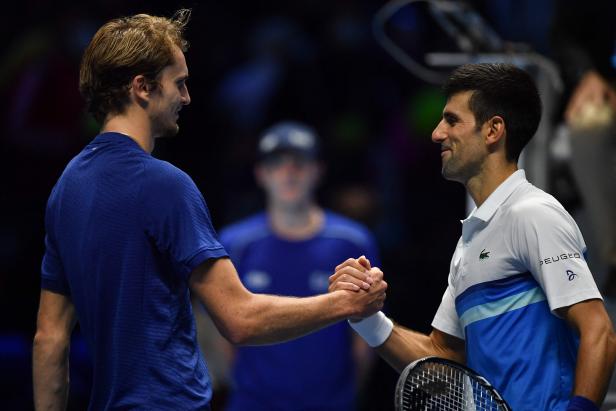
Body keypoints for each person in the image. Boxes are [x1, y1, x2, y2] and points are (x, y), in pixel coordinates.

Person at [32, 9, 387, 411]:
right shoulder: (165, 184)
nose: (186, 98)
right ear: (142, 87)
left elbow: (50, 338)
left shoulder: (67, 187)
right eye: (178, 84)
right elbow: (239, 318)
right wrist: (345, 303)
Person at [330, 63, 616, 410]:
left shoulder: (533, 214)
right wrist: (364, 317)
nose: (436, 133)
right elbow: (441, 357)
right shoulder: (469, 243)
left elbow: (599, 331)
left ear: (493, 130)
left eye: (452, 120)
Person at [216, 121, 379, 411]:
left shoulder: (352, 241)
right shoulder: (235, 243)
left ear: (318, 170)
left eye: (299, 163)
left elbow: (365, 331)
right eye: (277, 163)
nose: (288, 173)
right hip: (253, 404)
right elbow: (222, 331)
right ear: (261, 174)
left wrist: (347, 396)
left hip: (331, 404)